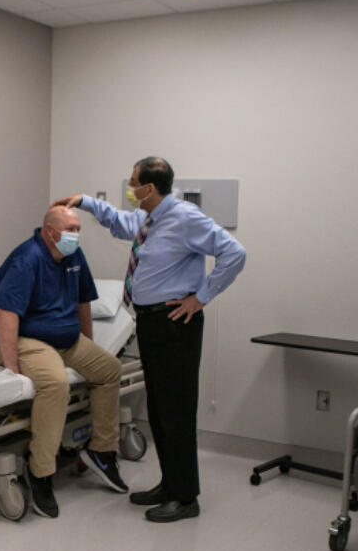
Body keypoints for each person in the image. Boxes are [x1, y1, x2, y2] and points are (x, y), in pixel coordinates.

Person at [54, 157, 245, 523]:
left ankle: (186, 498)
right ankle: (170, 484)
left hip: (176, 324)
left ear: (149, 189)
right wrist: (86, 201)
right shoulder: (149, 219)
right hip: (152, 323)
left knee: (177, 413)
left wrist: (200, 297)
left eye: (133, 182)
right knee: (159, 411)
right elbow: (119, 222)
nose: (129, 187)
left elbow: (235, 253)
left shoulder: (186, 217)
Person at [0, 206, 126, 518]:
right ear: (49, 232)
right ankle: (41, 472)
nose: (76, 235)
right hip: (15, 339)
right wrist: (12, 368)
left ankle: (101, 450)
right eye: (70, 229)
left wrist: (87, 345)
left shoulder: (74, 257)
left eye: (78, 228)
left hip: (63, 340)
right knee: (55, 383)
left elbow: (84, 301)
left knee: (109, 369)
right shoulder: (26, 259)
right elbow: (6, 314)